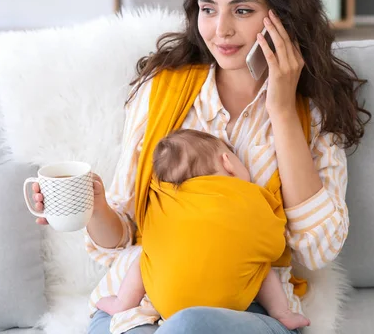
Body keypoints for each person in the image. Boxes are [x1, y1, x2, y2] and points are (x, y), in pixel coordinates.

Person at [31, 0, 371, 333]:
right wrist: (95, 207)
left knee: (189, 326)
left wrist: (281, 110)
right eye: (208, 10)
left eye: (242, 10)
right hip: (139, 308)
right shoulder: (161, 91)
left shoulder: (309, 113)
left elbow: (316, 250)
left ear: (281, 16)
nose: (221, 30)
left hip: (248, 308)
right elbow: (121, 243)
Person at [95, 129, 311, 330]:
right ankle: (282, 312)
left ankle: (122, 302)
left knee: (144, 259)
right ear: (228, 163)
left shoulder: (161, 200)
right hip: (231, 305)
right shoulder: (250, 197)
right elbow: (275, 246)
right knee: (262, 268)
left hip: (166, 303)